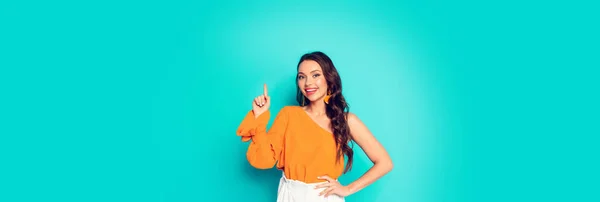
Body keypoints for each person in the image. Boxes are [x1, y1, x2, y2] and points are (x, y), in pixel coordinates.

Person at [236, 51, 393, 202]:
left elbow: (384, 162)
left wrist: (347, 189)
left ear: (329, 78)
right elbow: (263, 160)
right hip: (290, 195)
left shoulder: (346, 121)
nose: (308, 82)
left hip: (324, 197)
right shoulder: (288, 115)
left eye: (315, 75)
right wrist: (259, 117)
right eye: (302, 77)